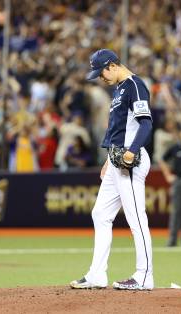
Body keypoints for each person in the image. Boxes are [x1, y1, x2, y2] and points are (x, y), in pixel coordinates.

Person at [70, 49, 154, 290]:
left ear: (112, 65)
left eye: (101, 72)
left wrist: (132, 150)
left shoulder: (135, 84)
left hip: (130, 159)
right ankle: (97, 274)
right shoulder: (119, 89)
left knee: (136, 218)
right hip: (116, 159)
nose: (100, 78)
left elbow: (146, 123)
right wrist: (109, 157)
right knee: (100, 214)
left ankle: (144, 275)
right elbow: (118, 127)